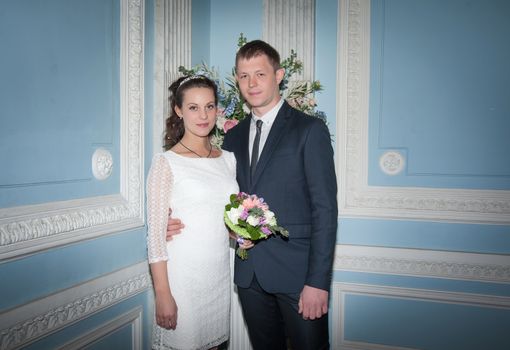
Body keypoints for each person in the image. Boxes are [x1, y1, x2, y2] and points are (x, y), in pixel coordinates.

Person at [168, 40, 337, 350]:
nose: (251, 83)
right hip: (249, 276)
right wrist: (169, 220)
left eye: (259, 73)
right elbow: (215, 192)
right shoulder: (231, 137)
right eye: (243, 76)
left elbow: (325, 210)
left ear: (279, 75)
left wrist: (318, 282)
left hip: (299, 277)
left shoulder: (310, 130)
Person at [146, 75, 252, 350]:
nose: (203, 115)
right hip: (183, 279)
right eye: (193, 107)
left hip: (217, 278)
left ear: (218, 109)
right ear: (179, 111)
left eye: (209, 106)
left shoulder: (228, 160)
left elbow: (223, 218)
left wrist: (241, 234)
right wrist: (163, 294)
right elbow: (156, 238)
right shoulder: (166, 163)